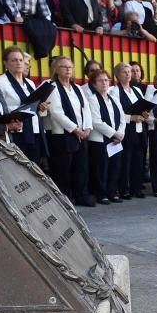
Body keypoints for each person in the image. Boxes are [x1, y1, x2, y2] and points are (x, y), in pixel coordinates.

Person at [46, 56, 94, 206]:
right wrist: (75, 129)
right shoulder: (51, 86)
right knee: (63, 168)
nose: (67, 69)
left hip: (81, 133)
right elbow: (56, 112)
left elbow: (86, 109)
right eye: (63, 67)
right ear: (55, 69)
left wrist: (87, 127)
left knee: (81, 167)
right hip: (62, 134)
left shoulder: (77, 87)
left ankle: (81, 195)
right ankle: (65, 198)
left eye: (70, 67)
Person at [0, 45, 49, 165]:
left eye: (20, 60)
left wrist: (41, 107)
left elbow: (35, 105)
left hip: (35, 130)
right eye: (14, 60)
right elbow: (1, 108)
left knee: (36, 167)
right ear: (5, 63)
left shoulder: (29, 82)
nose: (18, 63)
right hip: (18, 131)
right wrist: (28, 107)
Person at [86, 68, 126, 204]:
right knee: (101, 168)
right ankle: (101, 193)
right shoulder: (92, 99)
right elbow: (96, 121)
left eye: (106, 80)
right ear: (94, 84)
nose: (104, 83)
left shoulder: (114, 98)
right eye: (100, 80)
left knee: (115, 166)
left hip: (116, 139)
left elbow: (121, 118)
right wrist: (114, 133)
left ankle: (112, 191)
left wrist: (120, 133)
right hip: (99, 140)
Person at [112, 61, 149, 199]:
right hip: (127, 129)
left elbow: (143, 106)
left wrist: (145, 114)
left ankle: (136, 188)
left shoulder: (137, 90)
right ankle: (124, 189)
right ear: (117, 75)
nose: (128, 74)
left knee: (138, 160)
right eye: (124, 72)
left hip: (140, 129)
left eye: (130, 72)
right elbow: (116, 112)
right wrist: (131, 118)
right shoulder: (115, 91)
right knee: (126, 160)